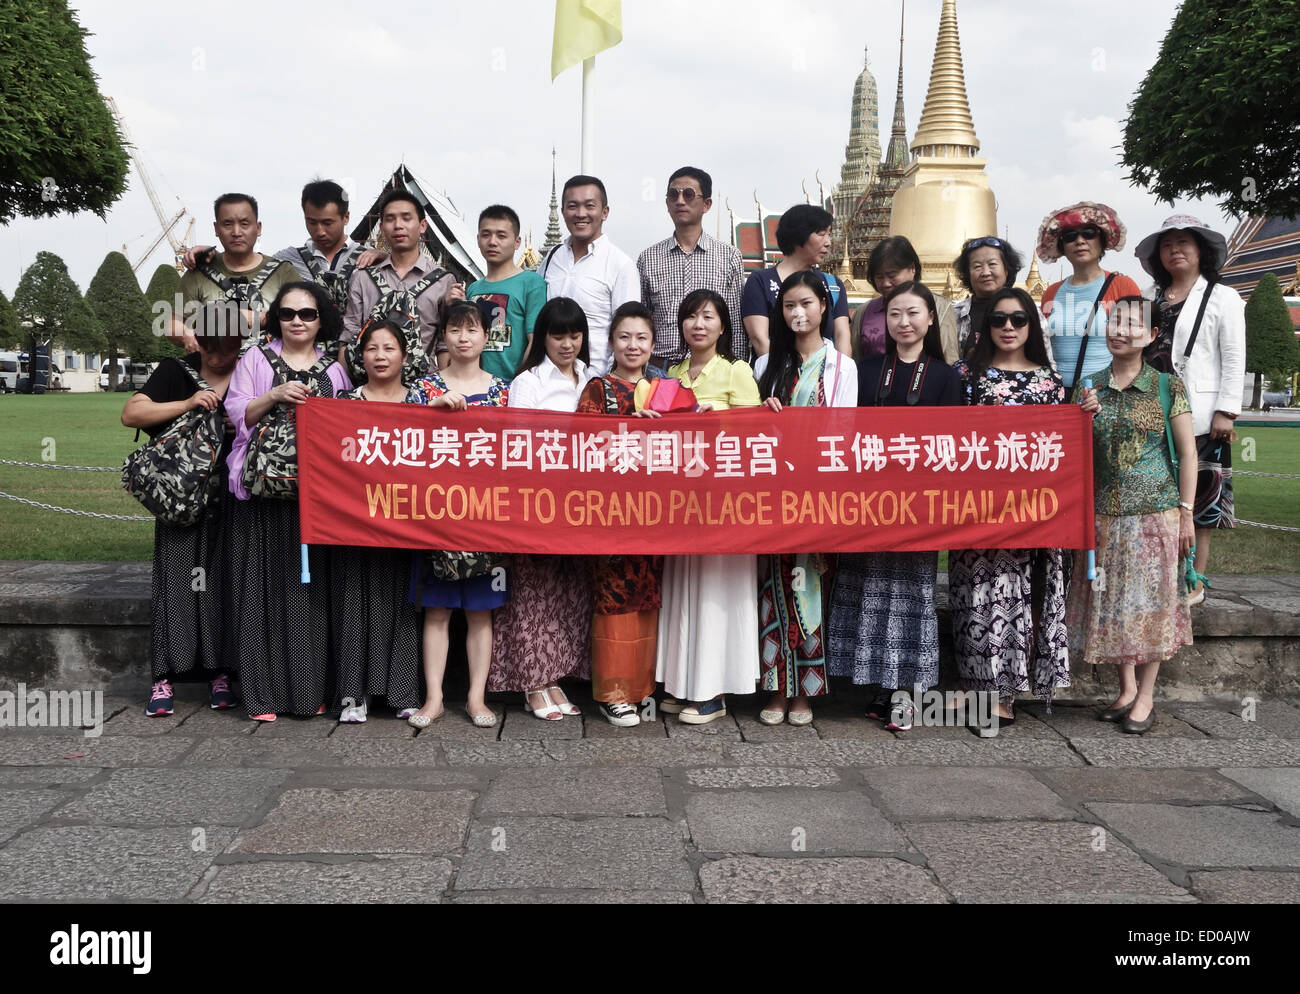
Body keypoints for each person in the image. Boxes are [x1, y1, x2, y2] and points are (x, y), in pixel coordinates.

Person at [827, 281, 961, 730]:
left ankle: (907, 695)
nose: (904, 322)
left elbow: (953, 445)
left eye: (913, 313)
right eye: (895, 314)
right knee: (870, 592)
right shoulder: (863, 370)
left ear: (930, 319)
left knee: (911, 598)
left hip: (919, 506)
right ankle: (879, 685)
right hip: (868, 502)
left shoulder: (945, 376)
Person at [224, 282, 352, 721]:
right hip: (262, 494)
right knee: (258, 593)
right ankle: (261, 696)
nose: (298, 321)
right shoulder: (255, 359)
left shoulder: (335, 371)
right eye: (288, 312)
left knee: (309, 594)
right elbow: (236, 413)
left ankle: (308, 691)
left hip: (315, 500)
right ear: (276, 317)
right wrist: (274, 395)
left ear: (322, 321)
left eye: (308, 314)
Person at [1070, 296, 1196, 734]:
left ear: (1151, 335)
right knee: (1112, 606)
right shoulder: (1088, 386)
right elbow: (1074, 454)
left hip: (1155, 515)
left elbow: (1187, 453)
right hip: (1103, 517)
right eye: (1114, 321)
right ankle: (1124, 690)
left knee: (1154, 607)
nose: (1120, 330)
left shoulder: (1167, 386)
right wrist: (1079, 421)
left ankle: (1146, 696)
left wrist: (1186, 512)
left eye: (1131, 324)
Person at [949, 288, 1070, 726]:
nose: (1008, 328)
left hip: (1030, 510)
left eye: (1019, 320)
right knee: (972, 597)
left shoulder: (1049, 383)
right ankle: (973, 685)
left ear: (1031, 326)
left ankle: (1005, 694)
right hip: (975, 506)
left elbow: (1061, 447)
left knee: (1014, 595)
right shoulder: (965, 375)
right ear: (985, 326)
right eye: (999, 319)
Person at [123, 304, 242, 716]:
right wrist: (190, 404)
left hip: (231, 497)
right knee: (174, 583)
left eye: (225, 347)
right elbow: (131, 413)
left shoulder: (250, 370)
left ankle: (220, 670)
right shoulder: (177, 370)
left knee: (223, 583)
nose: (215, 355)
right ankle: (163, 677)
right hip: (181, 495)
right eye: (207, 344)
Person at [753, 272, 857, 725]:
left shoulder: (842, 367)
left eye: (807, 304)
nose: (798, 313)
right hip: (772, 494)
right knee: (772, 588)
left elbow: (845, 432)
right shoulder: (763, 367)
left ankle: (806, 694)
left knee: (810, 585)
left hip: (817, 493)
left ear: (823, 307)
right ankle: (776, 690)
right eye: (790, 305)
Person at [657, 289, 762, 724]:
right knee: (683, 591)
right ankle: (683, 684)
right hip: (680, 503)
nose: (698, 324)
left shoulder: (737, 371)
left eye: (708, 316)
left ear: (723, 326)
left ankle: (713, 692)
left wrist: (712, 417)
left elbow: (756, 436)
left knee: (717, 594)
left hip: (723, 503)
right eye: (691, 317)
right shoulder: (672, 371)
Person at [406, 301, 510, 729]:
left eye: (472, 330)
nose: (464, 337)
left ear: (487, 337)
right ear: (443, 335)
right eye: (455, 329)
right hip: (436, 514)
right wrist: (431, 415)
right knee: (437, 610)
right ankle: (432, 699)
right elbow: (401, 444)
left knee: (482, 612)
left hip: (487, 514)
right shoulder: (424, 390)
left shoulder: (505, 391)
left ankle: (476, 698)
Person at [491, 297, 595, 719]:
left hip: (583, 504)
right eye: (558, 335)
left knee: (569, 592)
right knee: (532, 593)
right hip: (537, 499)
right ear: (543, 338)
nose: (567, 344)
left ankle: (557, 678)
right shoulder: (529, 381)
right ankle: (534, 684)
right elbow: (518, 443)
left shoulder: (593, 377)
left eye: (574, 335)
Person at [1134, 215, 1245, 604]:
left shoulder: (1222, 297)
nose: (1175, 251)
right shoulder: (1151, 299)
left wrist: (1226, 411)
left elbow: (1233, 357)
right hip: (1152, 412)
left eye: (1184, 243)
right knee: (1159, 499)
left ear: (1201, 251)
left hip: (1200, 413)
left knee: (1200, 504)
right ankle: (1160, 577)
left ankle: (1193, 579)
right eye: (1167, 245)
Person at [328, 320, 425, 723]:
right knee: (355, 604)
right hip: (355, 522)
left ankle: (402, 691)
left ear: (405, 356)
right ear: (359, 356)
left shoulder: (421, 404)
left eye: (389, 348)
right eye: (371, 348)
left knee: (404, 602)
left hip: (405, 521)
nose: (380, 356)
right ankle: (353, 695)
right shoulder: (342, 403)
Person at [576, 301, 666, 726]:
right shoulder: (599, 388)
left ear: (653, 344)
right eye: (624, 337)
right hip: (610, 515)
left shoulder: (665, 388)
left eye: (641, 338)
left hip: (654, 515)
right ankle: (613, 691)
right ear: (611, 342)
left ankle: (641, 688)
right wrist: (631, 423)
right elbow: (583, 448)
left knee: (647, 597)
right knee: (613, 599)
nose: (633, 345)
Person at [184, 180, 368, 315]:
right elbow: (246, 261)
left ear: (346, 217)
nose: (319, 231)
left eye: (328, 223)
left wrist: (384, 257)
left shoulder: (370, 259)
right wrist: (213, 255)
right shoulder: (287, 260)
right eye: (312, 222)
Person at [340, 188, 455, 386]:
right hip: (370, 387)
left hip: (424, 388)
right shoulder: (363, 277)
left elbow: (444, 346)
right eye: (390, 219)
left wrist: (445, 389)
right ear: (382, 228)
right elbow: (349, 337)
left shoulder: (443, 280)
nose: (398, 225)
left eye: (406, 218)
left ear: (422, 225)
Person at [637, 166, 746, 368]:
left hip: (714, 368)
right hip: (661, 368)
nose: (680, 201)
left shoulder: (729, 256)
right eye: (673, 194)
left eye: (688, 194)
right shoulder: (648, 258)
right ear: (667, 202)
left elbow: (735, 324)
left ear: (706, 204)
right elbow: (641, 321)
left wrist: (735, 368)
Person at [537, 175, 639, 376]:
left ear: (605, 212)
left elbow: (628, 333)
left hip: (596, 381)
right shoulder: (552, 258)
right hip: (547, 381)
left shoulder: (620, 264)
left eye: (589, 206)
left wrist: (607, 385)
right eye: (573, 206)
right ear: (563, 211)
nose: (581, 214)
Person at [1037, 202, 1142, 391]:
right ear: (1062, 246)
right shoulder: (1051, 293)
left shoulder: (1124, 285)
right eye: (1070, 237)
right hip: (1059, 394)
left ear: (1102, 241)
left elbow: (1141, 342)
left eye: (1088, 233)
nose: (1079, 241)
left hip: (1107, 394)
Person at [176, 193, 301, 350]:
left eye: (244, 223)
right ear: (216, 228)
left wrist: (261, 318)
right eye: (227, 224)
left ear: (258, 227)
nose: (236, 232)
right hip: (213, 368)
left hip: (271, 370)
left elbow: (307, 319)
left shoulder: (283, 273)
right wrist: (186, 335)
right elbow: (175, 322)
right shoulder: (198, 273)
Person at [739, 204, 851, 357]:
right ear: (800, 235)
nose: (828, 242)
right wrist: (789, 376)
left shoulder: (834, 286)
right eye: (821, 234)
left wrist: (840, 375)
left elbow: (841, 335)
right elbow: (759, 339)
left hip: (824, 377)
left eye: (829, 234)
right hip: (776, 375)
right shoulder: (760, 282)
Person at [457, 205, 548, 382]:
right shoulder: (473, 289)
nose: (492, 242)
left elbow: (535, 342)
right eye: (486, 235)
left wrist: (518, 383)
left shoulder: (531, 283)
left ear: (517, 242)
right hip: (474, 386)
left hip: (512, 386)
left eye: (501, 236)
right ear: (478, 239)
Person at [850, 235, 959, 362]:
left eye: (892, 275)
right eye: (879, 277)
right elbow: (855, 359)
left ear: (912, 269)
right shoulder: (864, 311)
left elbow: (949, 359)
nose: (885, 283)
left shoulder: (940, 307)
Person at [952, 236, 1026, 358]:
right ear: (967, 274)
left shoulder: (1026, 309)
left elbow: (1042, 357)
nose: (986, 272)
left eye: (992, 264)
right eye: (977, 266)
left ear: (1006, 270)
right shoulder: (955, 314)